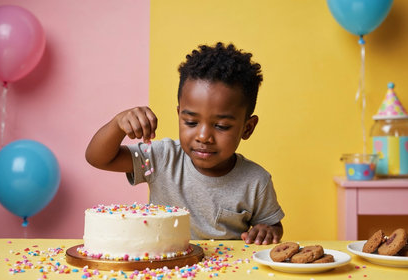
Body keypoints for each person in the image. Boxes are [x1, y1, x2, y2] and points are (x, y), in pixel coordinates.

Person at [85, 42, 284, 245]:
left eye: (222, 126)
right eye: (191, 122)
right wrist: (118, 124)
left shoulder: (256, 181)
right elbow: (98, 159)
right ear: (179, 115)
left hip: (225, 274)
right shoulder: (162, 158)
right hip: (164, 269)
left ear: (247, 128)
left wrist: (267, 230)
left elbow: (272, 225)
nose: (204, 136)